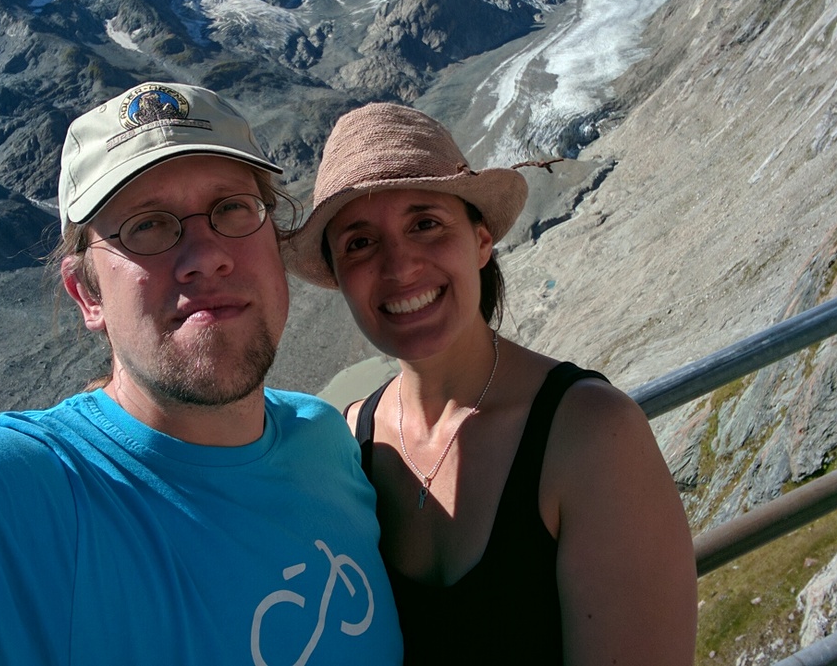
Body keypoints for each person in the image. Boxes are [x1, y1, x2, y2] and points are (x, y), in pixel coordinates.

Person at [0, 81, 402, 666]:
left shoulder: (327, 442)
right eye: (147, 226)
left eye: (232, 207)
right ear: (87, 295)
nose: (205, 255)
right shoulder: (24, 500)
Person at [285, 103, 697, 665]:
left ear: (481, 242)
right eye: (359, 243)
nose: (400, 267)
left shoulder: (594, 436)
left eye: (425, 224)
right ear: (339, 278)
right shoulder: (347, 444)